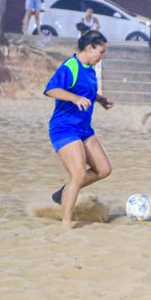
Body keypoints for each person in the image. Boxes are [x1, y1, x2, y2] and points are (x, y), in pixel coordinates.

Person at [43, 30, 114, 229]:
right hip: (64, 128)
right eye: (101, 51)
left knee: (104, 169)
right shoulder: (71, 66)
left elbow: (85, 91)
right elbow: (51, 89)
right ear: (90, 47)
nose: (102, 56)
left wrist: (100, 100)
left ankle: (64, 192)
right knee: (79, 174)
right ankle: (66, 223)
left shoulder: (89, 67)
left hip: (84, 128)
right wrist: (74, 98)